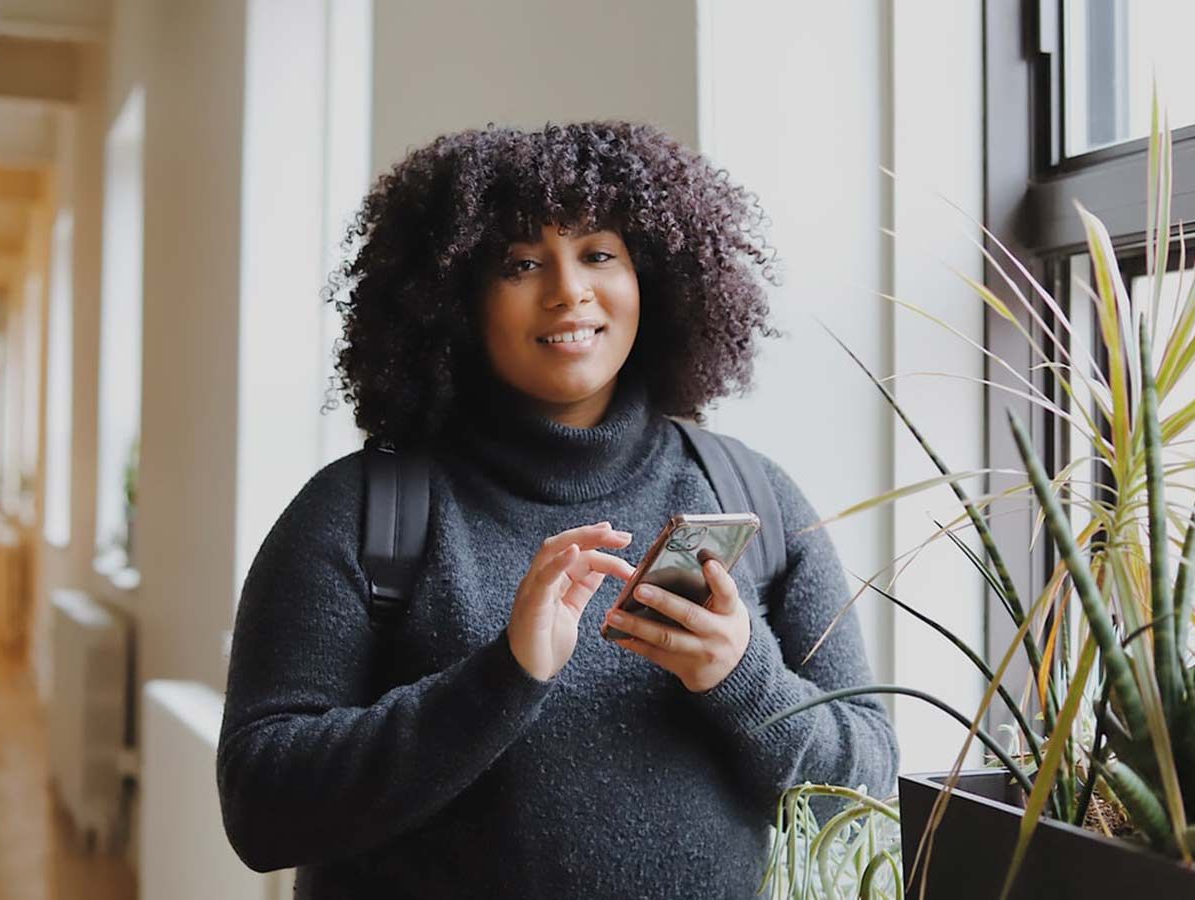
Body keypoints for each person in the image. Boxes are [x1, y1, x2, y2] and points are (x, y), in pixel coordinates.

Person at [217, 121, 898, 898]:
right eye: (520, 263)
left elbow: (869, 773)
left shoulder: (751, 493)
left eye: (598, 254)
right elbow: (259, 807)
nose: (569, 289)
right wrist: (501, 678)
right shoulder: (362, 513)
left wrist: (741, 679)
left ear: (654, 277)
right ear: (452, 299)